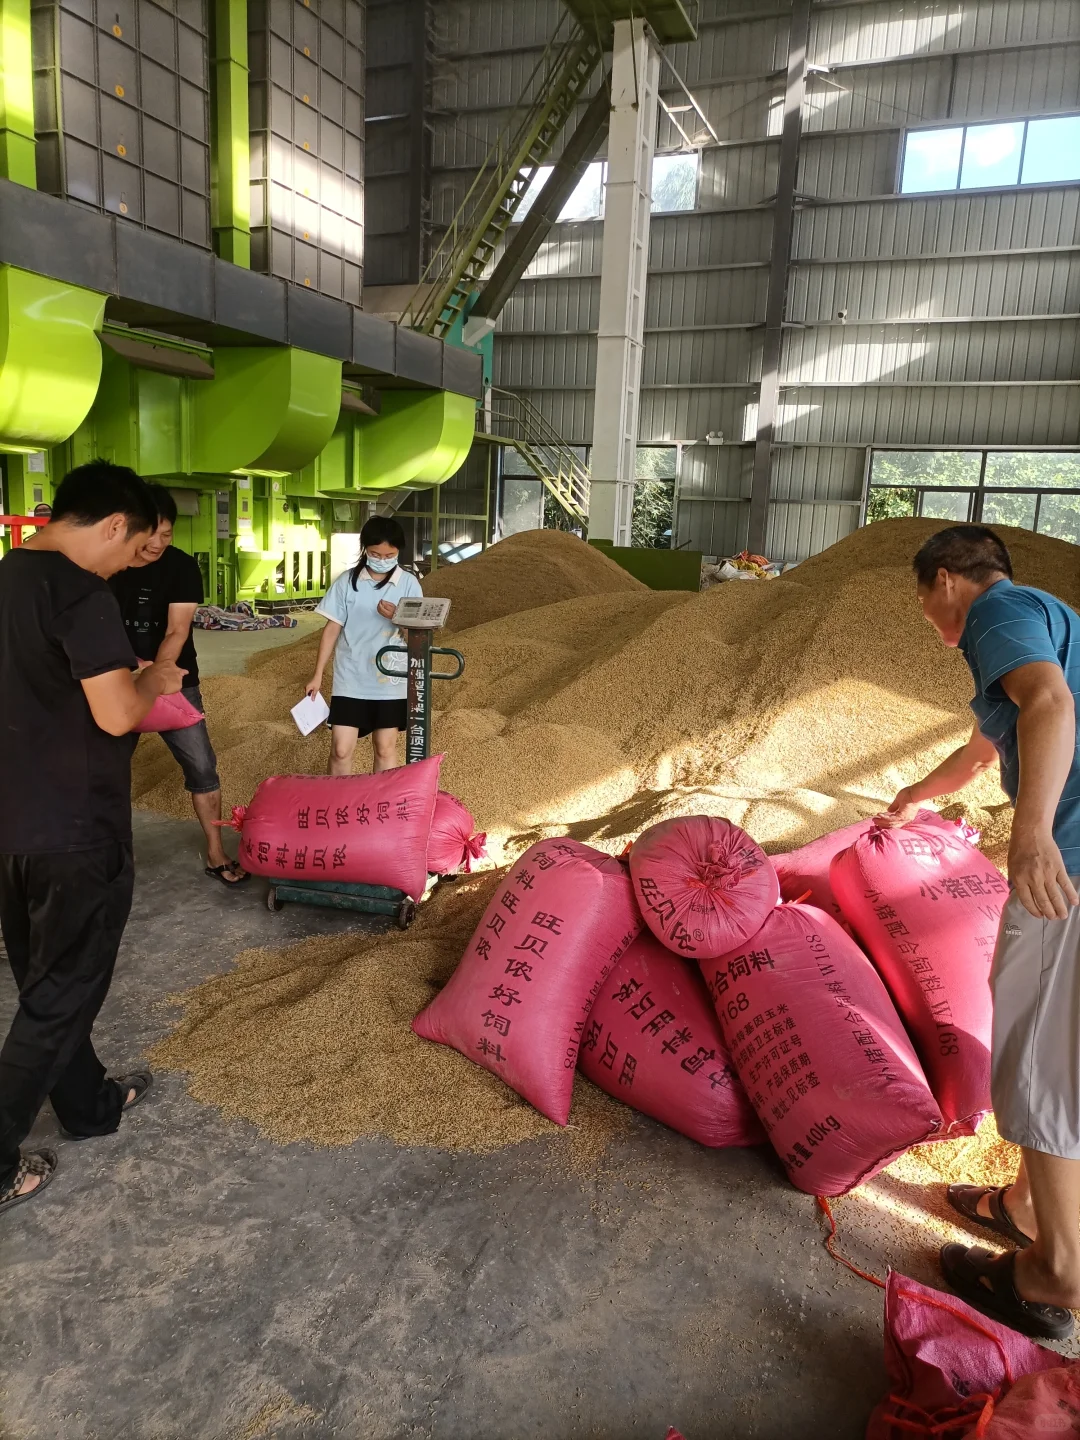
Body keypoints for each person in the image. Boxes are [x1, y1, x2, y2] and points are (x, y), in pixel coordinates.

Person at [880, 524, 1080, 1341]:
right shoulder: (1048, 617)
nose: (929, 618)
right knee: (1062, 1044)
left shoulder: (999, 611)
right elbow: (976, 754)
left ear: (949, 579)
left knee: (1040, 1051)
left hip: (1069, 868)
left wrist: (1030, 833)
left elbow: (1049, 704)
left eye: (925, 598)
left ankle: (1057, 1273)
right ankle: (1027, 1206)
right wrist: (910, 798)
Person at [0, 461, 186, 1216]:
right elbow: (115, 714)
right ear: (114, 525)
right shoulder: (80, 592)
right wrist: (155, 680)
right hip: (76, 830)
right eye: (133, 546)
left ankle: (88, 1104)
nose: (127, 563)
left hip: (11, 827)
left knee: (50, 983)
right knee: (58, 994)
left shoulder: (5, 576)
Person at [110, 485, 247, 887]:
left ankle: (216, 851)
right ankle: (110, 857)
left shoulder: (182, 567)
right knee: (106, 771)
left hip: (175, 682)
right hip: (115, 680)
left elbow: (177, 630)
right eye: (150, 533)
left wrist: (156, 672)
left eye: (166, 534)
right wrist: (127, 671)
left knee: (203, 767)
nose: (156, 543)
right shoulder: (111, 565)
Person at [305, 517, 422, 776]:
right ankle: (339, 805)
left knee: (384, 748)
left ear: (399, 551)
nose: (382, 559)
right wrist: (317, 674)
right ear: (364, 549)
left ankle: (379, 807)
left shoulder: (409, 583)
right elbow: (332, 628)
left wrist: (397, 617)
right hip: (351, 676)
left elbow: (417, 636)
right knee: (341, 750)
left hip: (390, 680)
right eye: (374, 553)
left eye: (389, 554)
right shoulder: (348, 582)